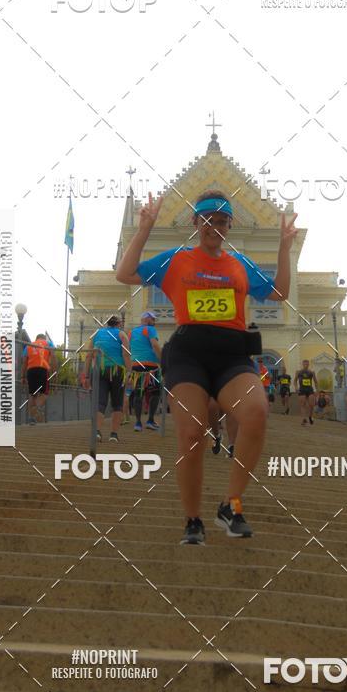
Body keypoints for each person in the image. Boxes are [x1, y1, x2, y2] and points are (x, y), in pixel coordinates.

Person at [116, 189, 297, 545]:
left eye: (222, 220)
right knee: (192, 434)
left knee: (257, 412)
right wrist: (145, 228)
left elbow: (279, 292)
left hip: (232, 355)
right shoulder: (177, 259)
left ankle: (231, 505)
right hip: (188, 354)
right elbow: (125, 273)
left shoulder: (240, 264)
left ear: (230, 225)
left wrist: (284, 248)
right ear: (196, 223)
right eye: (207, 220)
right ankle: (193, 519)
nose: (215, 226)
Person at [84, 315, 132, 443]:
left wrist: (86, 375)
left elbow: (89, 355)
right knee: (117, 403)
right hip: (118, 371)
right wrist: (130, 372)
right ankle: (113, 435)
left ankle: (97, 432)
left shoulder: (96, 334)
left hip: (99, 370)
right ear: (118, 324)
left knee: (100, 402)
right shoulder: (122, 335)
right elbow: (126, 355)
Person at [129, 311, 162, 431]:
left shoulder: (131, 332)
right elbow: (155, 345)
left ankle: (138, 423)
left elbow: (129, 348)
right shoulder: (150, 329)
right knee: (156, 392)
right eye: (153, 319)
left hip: (136, 365)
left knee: (138, 394)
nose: (154, 322)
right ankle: (150, 420)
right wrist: (162, 360)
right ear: (147, 319)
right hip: (151, 365)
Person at [22, 333, 57, 425]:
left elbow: (24, 362)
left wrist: (23, 376)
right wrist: (54, 372)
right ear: (44, 338)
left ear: (36, 338)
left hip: (31, 370)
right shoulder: (48, 343)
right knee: (44, 393)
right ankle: (36, 409)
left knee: (32, 394)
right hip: (42, 369)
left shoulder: (29, 346)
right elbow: (53, 356)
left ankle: (32, 418)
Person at [294, 359, 317, 425]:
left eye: (307, 364)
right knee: (302, 405)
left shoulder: (312, 372)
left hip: (310, 389)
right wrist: (296, 387)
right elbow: (295, 381)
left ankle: (310, 416)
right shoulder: (298, 372)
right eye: (304, 364)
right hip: (302, 389)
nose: (306, 365)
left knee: (311, 405)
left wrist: (317, 390)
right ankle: (304, 419)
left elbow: (315, 381)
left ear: (308, 365)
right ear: (302, 364)